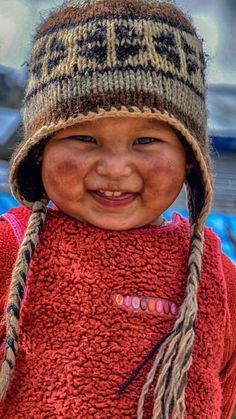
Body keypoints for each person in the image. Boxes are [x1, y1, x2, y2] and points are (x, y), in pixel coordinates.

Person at [0, 0, 235, 417]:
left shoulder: (217, 277)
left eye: (146, 141)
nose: (114, 168)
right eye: (84, 139)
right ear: (38, 152)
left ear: (189, 158)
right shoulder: (10, 248)